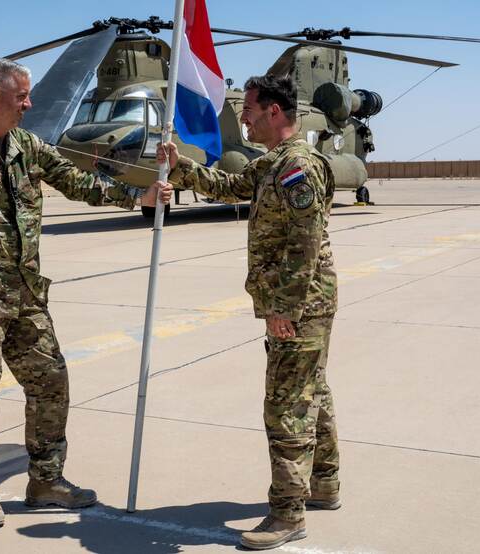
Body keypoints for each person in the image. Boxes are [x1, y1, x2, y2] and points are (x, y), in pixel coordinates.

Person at [0, 58, 172, 528]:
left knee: (51, 382)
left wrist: (138, 198)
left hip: (27, 296)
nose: (30, 104)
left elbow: (76, 180)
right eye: (22, 96)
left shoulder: (27, 146)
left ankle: (45, 479)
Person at [156, 74, 339, 550]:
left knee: (286, 406)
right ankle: (324, 483)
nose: (244, 119)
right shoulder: (274, 163)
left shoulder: (298, 166)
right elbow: (232, 185)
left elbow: (306, 241)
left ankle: (287, 514)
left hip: (299, 303)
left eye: (250, 111)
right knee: (309, 390)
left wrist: (284, 307)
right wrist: (183, 168)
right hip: (300, 301)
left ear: (275, 112)